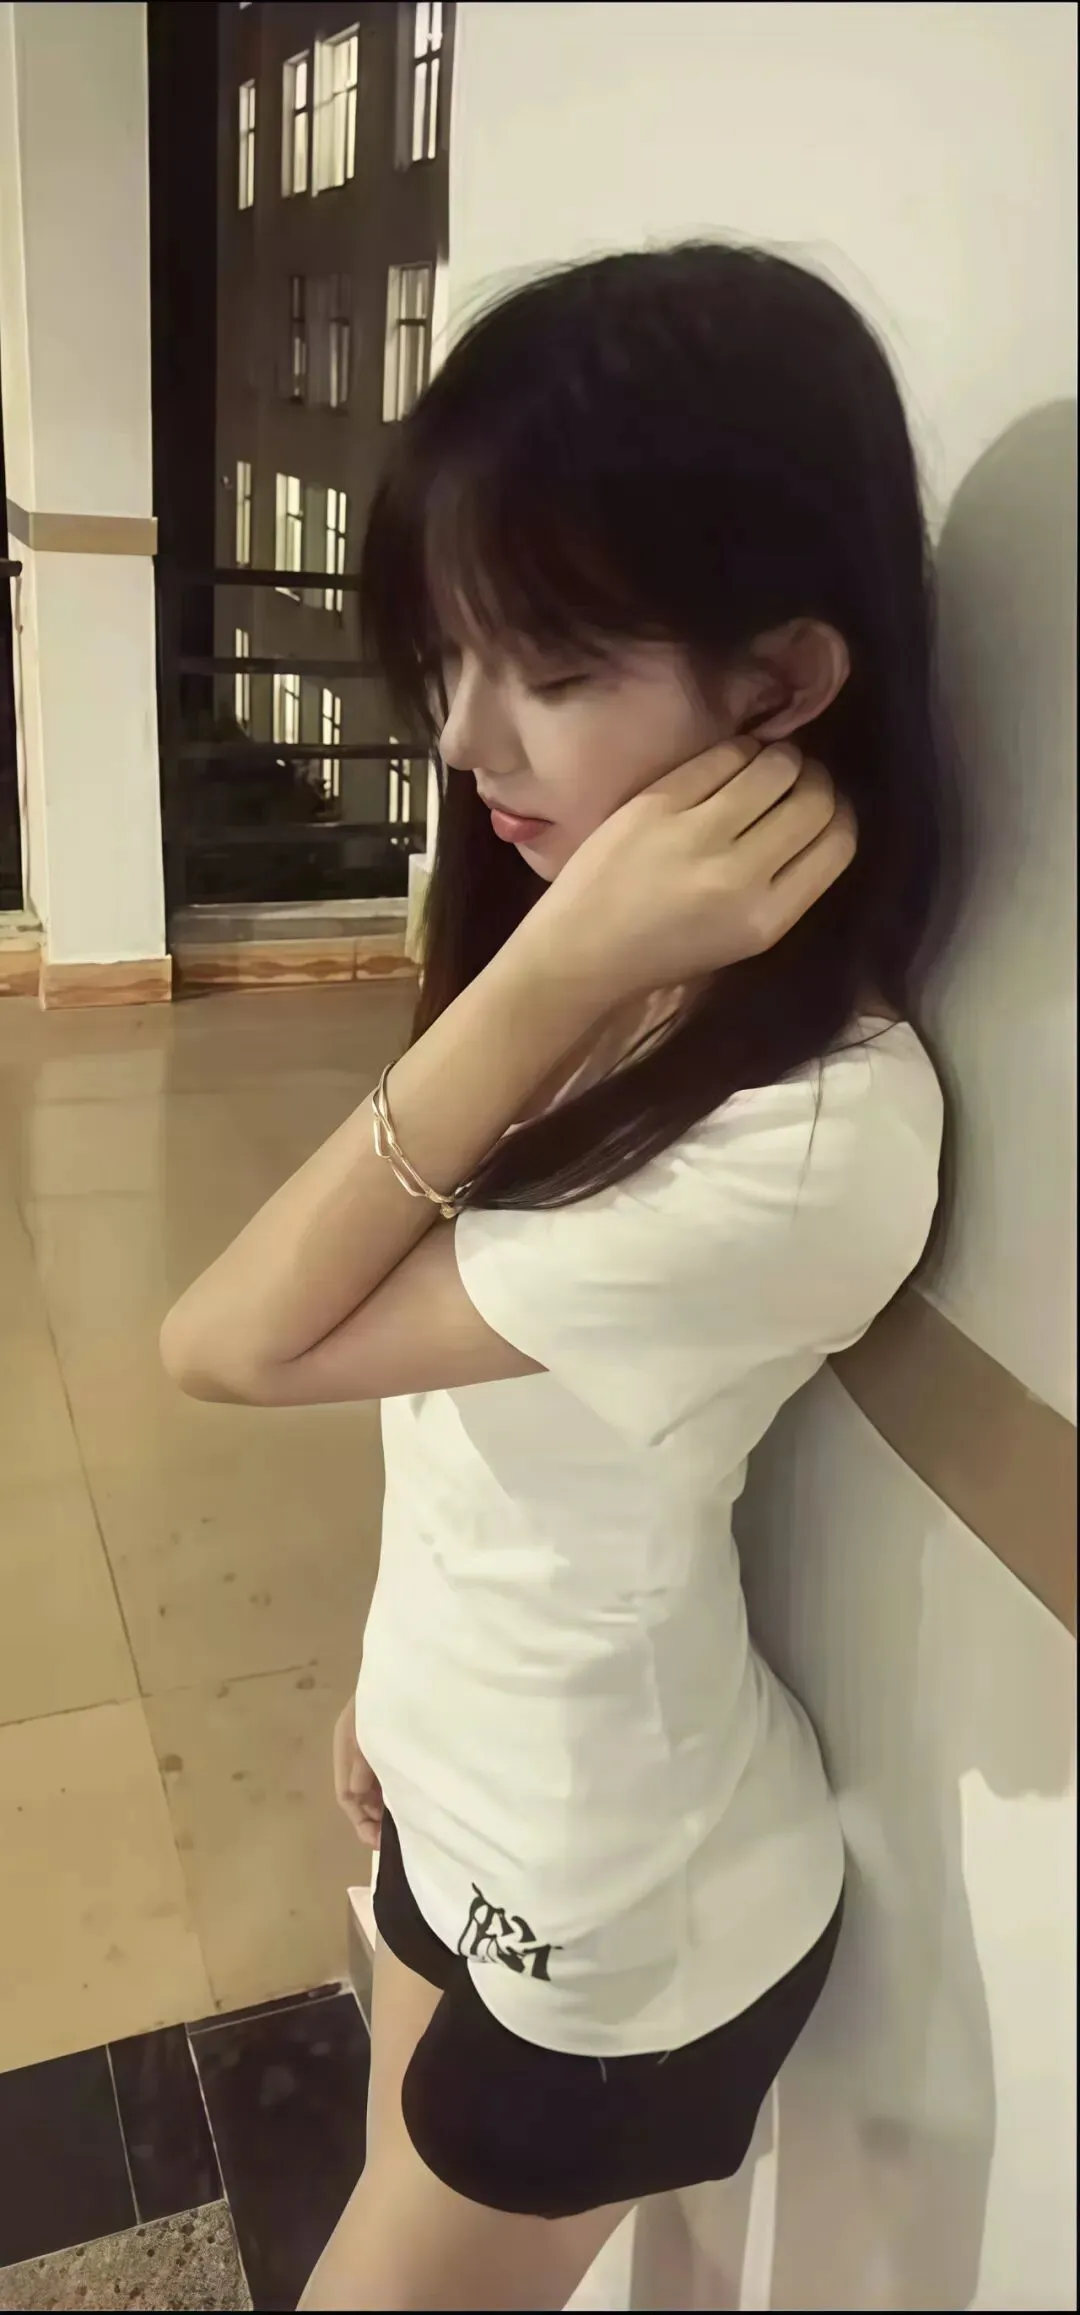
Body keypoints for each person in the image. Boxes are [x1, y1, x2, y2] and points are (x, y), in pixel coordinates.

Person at [161, 242, 948, 2312]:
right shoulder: (615, 971)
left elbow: (226, 1342)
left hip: (622, 1924)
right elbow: (472, 1423)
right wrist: (395, 1681)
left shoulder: (813, 1127)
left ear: (781, 685)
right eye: (446, 654)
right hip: (455, 1796)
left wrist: (554, 966)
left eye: (556, 669)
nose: (469, 738)